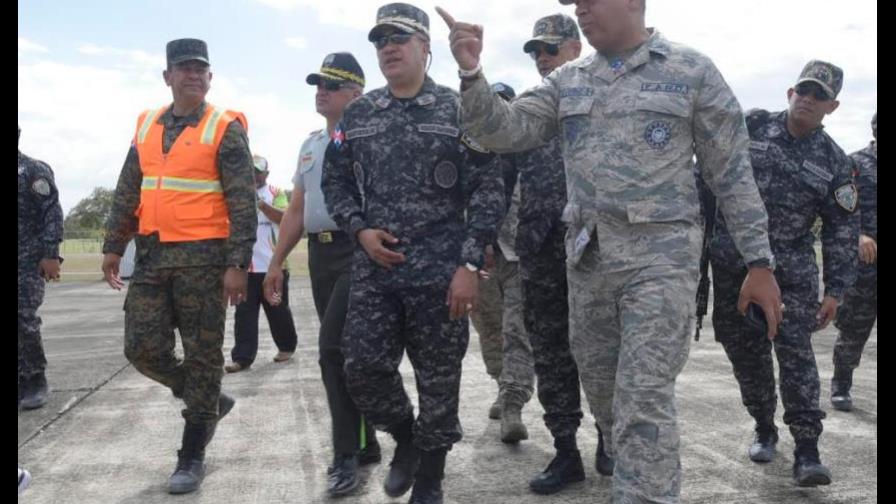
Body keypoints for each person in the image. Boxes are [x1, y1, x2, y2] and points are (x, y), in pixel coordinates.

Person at [437, 1, 782, 502]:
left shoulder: (691, 71)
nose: (580, 9)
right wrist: (471, 72)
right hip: (589, 261)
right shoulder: (568, 79)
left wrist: (759, 262)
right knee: (607, 401)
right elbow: (504, 131)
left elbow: (732, 174)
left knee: (643, 397)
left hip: (661, 259)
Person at [321, 4, 505, 503]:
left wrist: (469, 265)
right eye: (381, 39)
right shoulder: (357, 115)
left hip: (442, 273)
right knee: (361, 367)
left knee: (439, 381)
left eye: (400, 37)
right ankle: (407, 439)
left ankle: (431, 479)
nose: (389, 47)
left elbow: (489, 188)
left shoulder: (458, 109)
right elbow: (334, 180)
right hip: (376, 271)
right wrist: (358, 230)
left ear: (426, 47)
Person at [101, 38, 256, 495]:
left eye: (200, 69)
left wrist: (238, 263)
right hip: (152, 256)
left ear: (210, 77)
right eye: (183, 68)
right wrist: (114, 243)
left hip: (206, 262)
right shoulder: (147, 124)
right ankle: (207, 397)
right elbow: (128, 188)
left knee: (205, 354)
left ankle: (192, 454)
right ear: (167, 76)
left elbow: (242, 201)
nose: (193, 75)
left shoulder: (224, 127)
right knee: (141, 348)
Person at [707, 60, 858, 487]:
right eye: (803, 91)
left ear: (833, 105)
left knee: (796, 357)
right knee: (745, 356)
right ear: (790, 93)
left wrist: (837, 290)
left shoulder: (834, 161)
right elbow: (709, 168)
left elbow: (842, 229)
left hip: (791, 273)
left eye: (819, 96)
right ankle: (763, 425)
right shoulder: (751, 125)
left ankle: (808, 449)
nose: (809, 99)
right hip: (733, 267)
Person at [263, 51, 381, 497]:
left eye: (331, 85)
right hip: (320, 256)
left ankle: (345, 453)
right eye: (318, 84)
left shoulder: (371, 139)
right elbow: (296, 208)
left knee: (333, 351)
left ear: (356, 93)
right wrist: (276, 262)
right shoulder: (311, 145)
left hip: (359, 252)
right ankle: (366, 441)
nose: (321, 92)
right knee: (348, 354)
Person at [509, 13, 615, 495]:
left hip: (597, 248)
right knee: (551, 354)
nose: (542, 59)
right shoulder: (529, 110)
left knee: (602, 351)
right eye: (535, 52)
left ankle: (611, 440)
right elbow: (500, 177)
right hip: (540, 250)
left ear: (576, 46)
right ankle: (566, 450)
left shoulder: (607, 93)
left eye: (550, 48)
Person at [469, 81, 535, 444]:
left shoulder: (528, 150)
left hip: (519, 254)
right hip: (481, 256)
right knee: (489, 328)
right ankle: (501, 385)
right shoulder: (473, 151)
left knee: (516, 329)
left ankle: (513, 403)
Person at [225, 154, 298, 373]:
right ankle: (242, 358)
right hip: (245, 268)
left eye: (257, 171)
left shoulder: (276, 194)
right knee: (244, 314)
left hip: (273, 266)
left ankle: (286, 347)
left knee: (277, 309)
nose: (253, 175)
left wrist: (261, 205)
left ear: (266, 174)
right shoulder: (235, 196)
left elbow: (286, 218)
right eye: (250, 171)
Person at [831, 111, 877, 412]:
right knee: (854, 326)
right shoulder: (855, 164)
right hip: (866, 262)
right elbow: (841, 207)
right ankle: (841, 384)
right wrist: (858, 234)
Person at [18, 126, 64, 411]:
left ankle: (35, 378)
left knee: (23, 317)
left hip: (27, 258)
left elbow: (51, 212)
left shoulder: (32, 170)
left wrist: (50, 253)